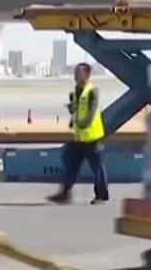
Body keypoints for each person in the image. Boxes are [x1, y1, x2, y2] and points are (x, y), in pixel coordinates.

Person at [47, 63, 109, 205]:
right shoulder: (75, 92)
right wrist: (72, 112)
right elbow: (77, 111)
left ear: (87, 75)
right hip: (79, 138)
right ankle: (65, 193)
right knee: (69, 163)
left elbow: (91, 111)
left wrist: (82, 123)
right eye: (75, 72)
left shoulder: (92, 91)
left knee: (98, 168)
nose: (75, 75)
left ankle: (101, 196)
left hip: (93, 137)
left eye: (78, 73)